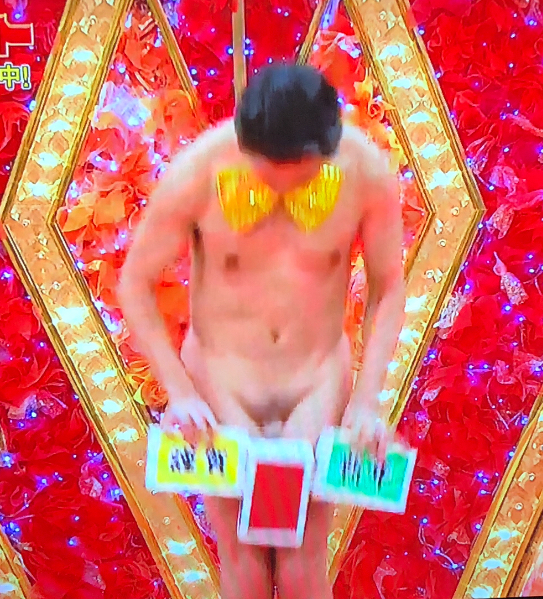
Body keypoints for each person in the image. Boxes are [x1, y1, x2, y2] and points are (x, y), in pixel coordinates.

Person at [118, 63, 405, 599]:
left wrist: (367, 401)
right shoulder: (198, 170)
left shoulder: (366, 172)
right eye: (267, 168)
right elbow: (134, 284)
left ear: (326, 149)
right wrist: (180, 393)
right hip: (222, 380)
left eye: (297, 171)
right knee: (245, 564)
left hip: (314, 378)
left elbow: (389, 288)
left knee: (300, 565)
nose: (280, 184)